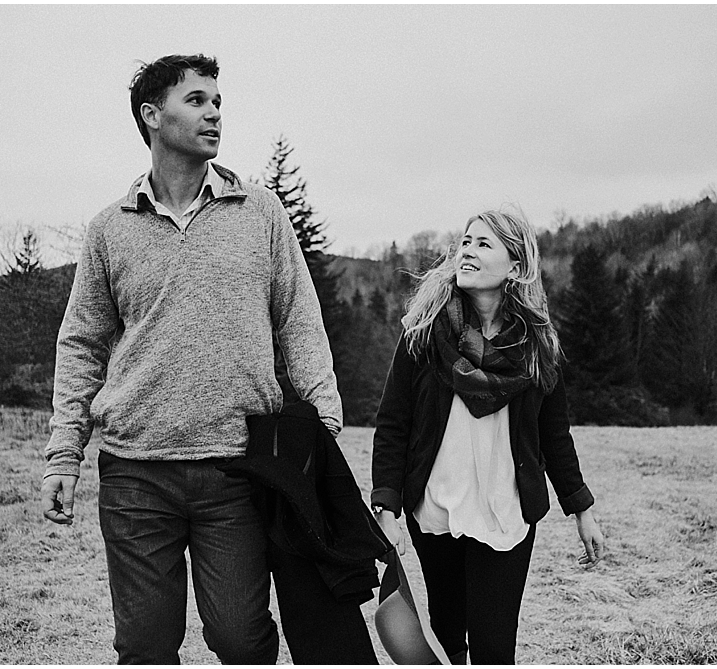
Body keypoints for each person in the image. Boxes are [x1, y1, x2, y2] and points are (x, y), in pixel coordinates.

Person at [39, 53, 344, 664]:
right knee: (146, 645)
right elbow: (81, 343)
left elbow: (299, 320)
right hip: (135, 472)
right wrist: (63, 455)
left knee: (240, 638)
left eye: (218, 102)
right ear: (152, 116)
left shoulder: (259, 213)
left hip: (239, 466)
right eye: (196, 100)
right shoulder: (110, 228)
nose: (214, 113)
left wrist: (325, 427)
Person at [371, 209, 606, 664]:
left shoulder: (539, 346)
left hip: (506, 516)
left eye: (484, 244)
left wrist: (582, 509)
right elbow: (393, 423)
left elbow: (555, 436)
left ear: (515, 267)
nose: (467, 251)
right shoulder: (423, 334)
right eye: (465, 241)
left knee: (494, 648)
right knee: (447, 635)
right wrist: (386, 506)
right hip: (436, 511)